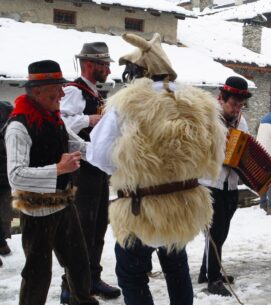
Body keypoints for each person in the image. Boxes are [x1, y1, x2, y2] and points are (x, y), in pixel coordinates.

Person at [88, 33, 226, 305]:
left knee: (132, 274)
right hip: (183, 208)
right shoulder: (198, 104)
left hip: (142, 210)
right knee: (177, 268)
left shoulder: (127, 104)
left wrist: (136, 166)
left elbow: (101, 156)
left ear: (139, 72)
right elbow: (216, 157)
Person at [6, 60, 98, 305]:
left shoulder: (54, 119)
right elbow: (16, 175)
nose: (62, 94)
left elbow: (79, 146)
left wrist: (118, 151)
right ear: (37, 92)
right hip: (36, 211)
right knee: (38, 274)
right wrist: (58, 169)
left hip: (64, 204)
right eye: (56, 88)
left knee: (79, 264)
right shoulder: (18, 126)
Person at [59, 42, 120, 303]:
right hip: (81, 169)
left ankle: (92, 278)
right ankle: (71, 286)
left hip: (97, 169)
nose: (107, 69)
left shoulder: (94, 93)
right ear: (89, 64)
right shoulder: (73, 91)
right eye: (104, 64)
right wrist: (90, 120)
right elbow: (61, 121)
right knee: (82, 228)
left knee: (98, 227)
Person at [197, 76, 251, 296]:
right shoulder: (208, 120)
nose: (236, 109)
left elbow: (247, 149)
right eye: (233, 104)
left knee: (220, 232)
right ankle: (214, 279)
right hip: (211, 183)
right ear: (221, 98)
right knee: (215, 233)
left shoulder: (241, 121)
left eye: (240, 105)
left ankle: (207, 271)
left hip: (231, 185)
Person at [0, 101, 14, 259]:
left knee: (5, 214)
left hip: (5, 176)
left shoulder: (6, 109)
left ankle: (2, 241)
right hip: (6, 175)